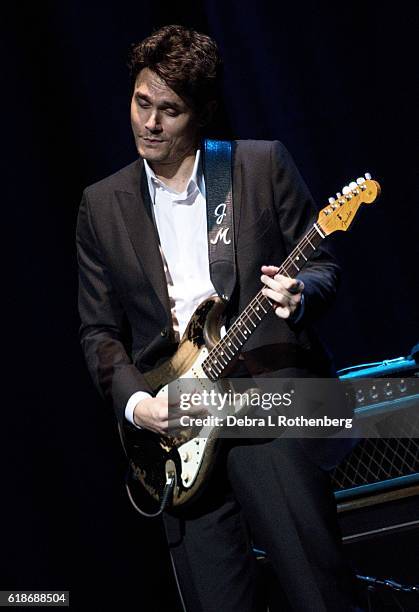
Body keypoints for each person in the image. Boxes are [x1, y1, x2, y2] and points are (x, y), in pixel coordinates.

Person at [76, 24, 364, 612]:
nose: (149, 124)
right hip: (177, 430)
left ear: (202, 113)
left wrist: (297, 294)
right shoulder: (101, 206)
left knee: (318, 590)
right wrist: (139, 404)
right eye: (141, 102)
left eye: (169, 111)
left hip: (264, 402)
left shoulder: (260, 166)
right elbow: (99, 331)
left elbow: (325, 269)